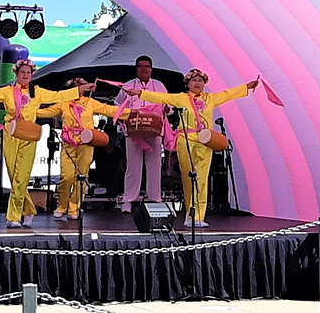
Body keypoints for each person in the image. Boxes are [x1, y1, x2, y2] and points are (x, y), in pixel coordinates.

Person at [0, 60, 95, 228]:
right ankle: (28, 210)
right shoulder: (7, 92)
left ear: (32, 74)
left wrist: (79, 90)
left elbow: (58, 96)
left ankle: (13, 216)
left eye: (28, 72)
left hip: (29, 136)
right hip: (11, 134)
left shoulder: (38, 92)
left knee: (21, 178)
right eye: (22, 72)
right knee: (14, 177)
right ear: (16, 73)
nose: (26, 75)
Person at [124, 68, 258, 227]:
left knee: (202, 179)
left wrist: (247, 87)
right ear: (188, 83)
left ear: (204, 83)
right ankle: (190, 214)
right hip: (185, 140)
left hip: (204, 141)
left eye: (200, 80)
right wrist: (140, 93)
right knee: (189, 179)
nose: (197, 83)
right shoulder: (182, 98)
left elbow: (228, 94)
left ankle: (198, 216)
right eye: (194, 80)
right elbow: (162, 97)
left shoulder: (211, 98)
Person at [38, 78, 121, 221]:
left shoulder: (90, 103)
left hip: (86, 142)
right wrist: (28, 110)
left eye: (81, 85)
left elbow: (108, 110)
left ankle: (74, 208)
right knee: (67, 176)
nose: (79, 88)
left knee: (81, 176)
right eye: (76, 86)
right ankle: (61, 206)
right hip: (69, 143)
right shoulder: (64, 103)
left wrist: (130, 112)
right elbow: (47, 112)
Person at [115, 55, 168, 212]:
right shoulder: (127, 86)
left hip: (154, 130)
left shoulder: (159, 86)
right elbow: (117, 104)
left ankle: (155, 199)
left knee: (154, 167)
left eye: (147, 66)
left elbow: (168, 103)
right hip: (134, 131)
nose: (143, 69)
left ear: (151, 69)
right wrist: (126, 117)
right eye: (140, 66)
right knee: (133, 167)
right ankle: (128, 200)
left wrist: (166, 109)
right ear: (136, 69)